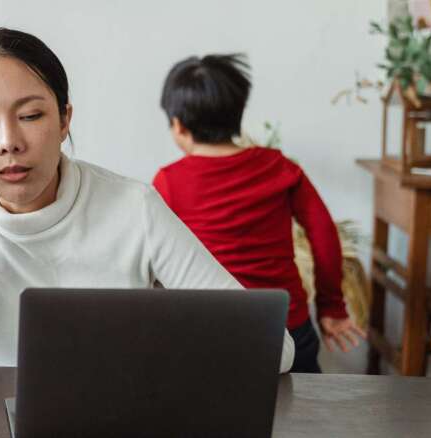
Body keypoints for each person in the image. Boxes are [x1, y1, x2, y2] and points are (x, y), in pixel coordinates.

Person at [0, 28, 294, 375]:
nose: (8, 143)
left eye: (32, 116)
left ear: (64, 120)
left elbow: (274, 349)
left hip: (121, 411)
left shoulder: (133, 206)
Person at [152, 53, 365, 373]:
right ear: (238, 115)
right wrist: (331, 306)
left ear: (178, 126)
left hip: (211, 332)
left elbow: (156, 256)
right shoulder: (280, 167)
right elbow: (323, 234)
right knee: (303, 417)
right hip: (287, 328)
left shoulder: (169, 181)